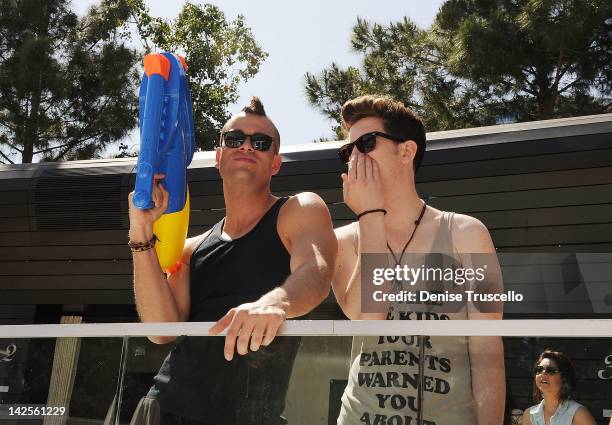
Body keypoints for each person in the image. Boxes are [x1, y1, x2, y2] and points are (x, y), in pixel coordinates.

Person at [127, 96, 337, 425]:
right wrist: (140, 233)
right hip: (168, 406)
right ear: (219, 157)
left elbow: (317, 271)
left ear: (275, 163)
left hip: (252, 415)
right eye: (235, 139)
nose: (247, 146)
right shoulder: (191, 248)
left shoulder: (298, 210)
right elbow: (160, 331)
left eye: (261, 142)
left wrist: (277, 302)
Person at [332, 95, 506, 425]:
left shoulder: (469, 233)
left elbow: (486, 349)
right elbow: (367, 317)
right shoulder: (342, 241)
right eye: (347, 151)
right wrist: (370, 215)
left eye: (366, 143)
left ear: (406, 151)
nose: (354, 157)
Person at [522, 350, 596, 425]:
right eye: (539, 369)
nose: (543, 373)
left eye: (550, 370)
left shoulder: (579, 414)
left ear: (564, 378)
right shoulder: (529, 415)